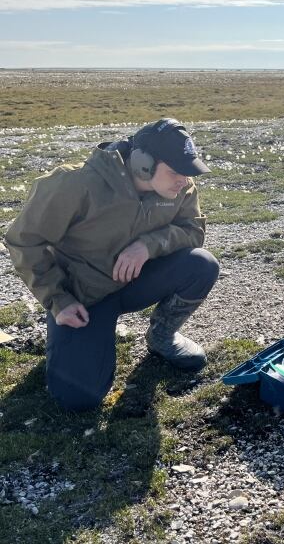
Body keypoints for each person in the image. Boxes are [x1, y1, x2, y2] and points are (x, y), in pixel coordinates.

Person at [5, 118, 220, 412]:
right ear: (143, 164)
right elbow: (24, 241)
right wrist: (58, 300)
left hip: (137, 282)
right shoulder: (75, 183)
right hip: (84, 297)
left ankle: (161, 337)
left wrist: (147, 245)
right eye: (175, 172)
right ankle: (73, 339)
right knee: (77, 399)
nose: (184, 180)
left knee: (201, 265)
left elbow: (193, 231)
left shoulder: (180, 186)